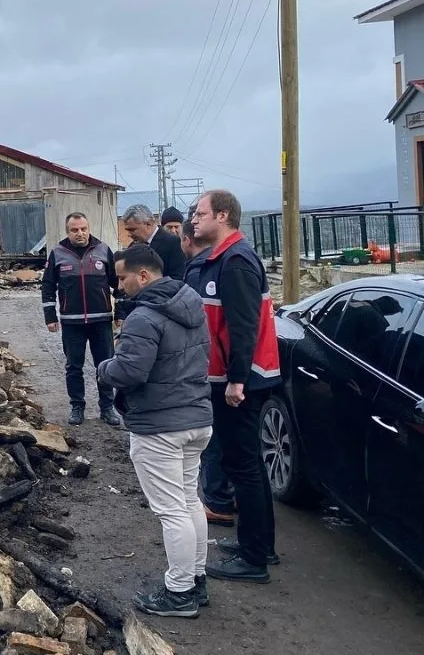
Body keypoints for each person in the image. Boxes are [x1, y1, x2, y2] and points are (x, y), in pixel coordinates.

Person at [97, 244, 214, 617]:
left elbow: (131, 371)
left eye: (122, 277)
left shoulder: (144, 317)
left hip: (160, 426)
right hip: (197, 419)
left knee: (171, 511)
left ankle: (179, 592)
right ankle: (196, 580)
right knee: (189, 500)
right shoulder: (191, 301)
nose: (119, 285)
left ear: (143, 275)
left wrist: (103, 369)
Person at [185, 190, 281, 583]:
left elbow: (245, 327)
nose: (193, 219)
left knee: (244, 466)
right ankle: (258, 544)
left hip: (237, 383)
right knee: (245, 464)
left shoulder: (236, 262)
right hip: (228, 379)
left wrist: (237, 381)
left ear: (222, 216)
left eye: (200, 212)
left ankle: (255, 558)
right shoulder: (218, 258)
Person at [41, 213, 120, 426]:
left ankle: (107, 407)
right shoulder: (58, 253)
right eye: (75, 230)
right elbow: (47, 287)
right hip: (72, 322)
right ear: (68, 231)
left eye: (83, 228)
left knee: (104, 365)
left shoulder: (103, 250)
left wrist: (119, 314)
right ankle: (77, 406)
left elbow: (118, 285)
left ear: (89, 228)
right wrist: (50, 316)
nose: (80, 233)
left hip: (101, 321)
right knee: (73, 366)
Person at [182, 217, 236, 526]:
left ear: (188, 240)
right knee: (230, 436)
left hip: (211, 369)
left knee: (211, 436)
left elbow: (194, 321)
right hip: (228, 369)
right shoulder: (224, 263)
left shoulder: (200, 270)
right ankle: (229, 494)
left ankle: (217, 500)